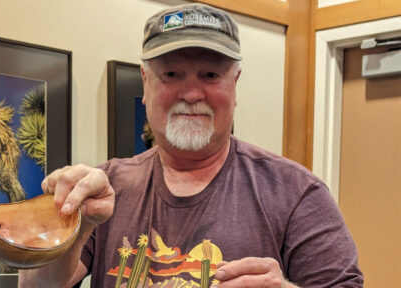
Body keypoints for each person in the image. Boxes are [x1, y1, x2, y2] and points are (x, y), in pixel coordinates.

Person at [19, 3, 363, 287]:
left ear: (235, 84)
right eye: (171, 75)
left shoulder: (296, 193)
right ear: (145, 82)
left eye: (210, 75)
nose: (192, 93)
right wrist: (71, 225)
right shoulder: (103, 190)